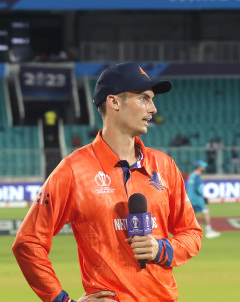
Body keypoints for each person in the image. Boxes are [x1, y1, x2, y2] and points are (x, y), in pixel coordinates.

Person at [12, 62, 203, 302]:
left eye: (152, 100)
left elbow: (191, 233)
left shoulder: (165, 166)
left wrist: (162, 249)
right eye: (144, 98)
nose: (153, 109)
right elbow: (28, 243)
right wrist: (63, 301)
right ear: (113, 102)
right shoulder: (73, 170)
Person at [186, 160, 221, 239]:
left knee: (191, 216)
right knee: (206, 213)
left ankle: (186, 232)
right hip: (197, 199)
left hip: (191, 198)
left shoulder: (192, 175)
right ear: (200, 167)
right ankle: (209, 231)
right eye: (203, 166)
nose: (204, 167)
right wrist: (204, 196)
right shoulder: (197, 176)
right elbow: (198, 189)